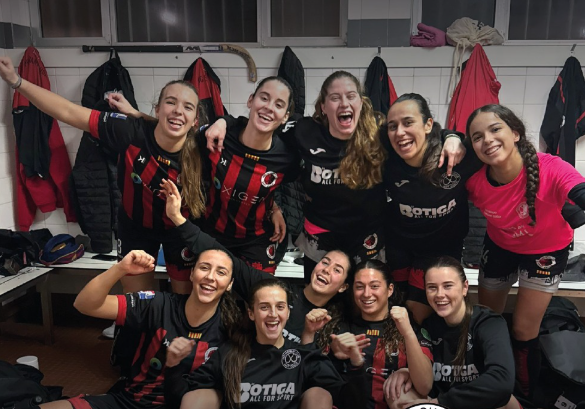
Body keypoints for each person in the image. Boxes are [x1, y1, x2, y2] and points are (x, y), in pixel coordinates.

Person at [0, 56, 206, 295]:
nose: (178, 110)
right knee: (138, 302)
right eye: (170, 102)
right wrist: (16, 81)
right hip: (135, 229)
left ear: (195, 121)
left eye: (187, 107)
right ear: (158, 109)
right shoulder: (128, 130)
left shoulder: (202, 147)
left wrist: (137, 113)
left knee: (183, 303)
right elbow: (68, 111)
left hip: (180, 229)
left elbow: (234, 129)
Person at [207, 71, 388, 282]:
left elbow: (412, 141)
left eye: (351, 96)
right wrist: (224, 121)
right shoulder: (304, 130)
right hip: (320, 234)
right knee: (318, 296)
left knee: (366, 295)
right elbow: (259, 124)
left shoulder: (379, 135)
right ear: (323, 106)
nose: (344, 103)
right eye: (335, 97)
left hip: (366, 235)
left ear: (361, 103)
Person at [113, 77, 300, 274]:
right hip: (211, 235)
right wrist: (136, 114)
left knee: (261, 292)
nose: (269, 107)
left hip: (257, 240)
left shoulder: (287, 157)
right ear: (251, 100)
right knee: (208, 291)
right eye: (264, 98)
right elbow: (177, 128)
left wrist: (275, 208)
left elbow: (272, 188)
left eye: (279, 104)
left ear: (285, 116)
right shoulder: (216, 137)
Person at [465, 104, 585, 398]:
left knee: (523, 330)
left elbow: (579, 190)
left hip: (547, 251)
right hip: (501, 247)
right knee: (487, 320)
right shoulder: (474, 179)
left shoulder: (551, 168)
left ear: (515, 133)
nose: (487, 140)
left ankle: (524, 396)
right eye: (477, 137)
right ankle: (486, 385)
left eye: (495, 129)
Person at [40, 248, 240, 409]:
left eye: (221, 272)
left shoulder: (233, 326)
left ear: (230, 284)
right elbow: (84, 304)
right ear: (192, 273)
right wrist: (120, 269)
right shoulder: (158, 304)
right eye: (204, 268)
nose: (210, 277)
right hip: (132, 401)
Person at [161, 178, 352, 345]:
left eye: (337, 270)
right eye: (325, 262)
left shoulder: (336, 324)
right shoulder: (273, 288)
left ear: (344, 286)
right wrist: (177, 218)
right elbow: (221, 256)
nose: (326, 270)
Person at [164, 278, 366, 409]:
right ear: (251, 313)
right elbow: (182, 398)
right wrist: (173, 365)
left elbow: (348, 402)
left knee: (319, 394)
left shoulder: (302, 355)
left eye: (280, 307)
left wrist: (356, 363)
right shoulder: (230, 353)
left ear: (288, 313)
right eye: (264, 307)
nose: (273, 314)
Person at [382, 93, 480, 323]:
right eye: (392, 126)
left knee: (416, 317)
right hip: (399, 249)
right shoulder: (386, 158)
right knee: (394, 311)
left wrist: (453, 136)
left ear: (428, 125)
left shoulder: (455, 158)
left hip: (441, 252)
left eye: (408, 122)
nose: (400, 132)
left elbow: (492, 144)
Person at [387, 256, 518, 409]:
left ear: (465, 287)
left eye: (448, 286)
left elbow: (502, 381)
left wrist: (440, 402)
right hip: (441, 403)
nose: (439, 294)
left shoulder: (488, 323)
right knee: (398, 392)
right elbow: (424, 384)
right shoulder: (428, 326)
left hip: (474, 403)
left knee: (503, 400)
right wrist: (408, 371)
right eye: (432, 287)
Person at [303, 259, 433, 409]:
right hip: (345, 403)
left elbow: (425, 386)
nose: (366, 293)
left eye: (374, 286)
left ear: (390, 289)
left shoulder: (408, 327)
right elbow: (309, 377)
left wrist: (408, 333)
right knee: (314, 394)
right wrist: (333, 354)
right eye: (359, 287)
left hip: (391, 404)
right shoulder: (338, 326)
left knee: (407, 393)